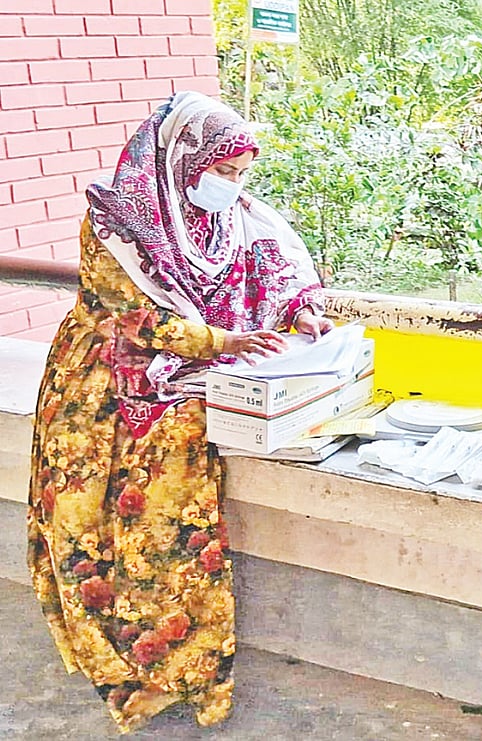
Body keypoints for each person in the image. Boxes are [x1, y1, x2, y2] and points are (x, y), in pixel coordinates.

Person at [27, 91, 333, 733]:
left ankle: (186, 671)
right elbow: (135, 314)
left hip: (184, 397)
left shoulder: (229, 217)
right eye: (222, 171)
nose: (232, 186)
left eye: (240, 174)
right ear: (180, 161)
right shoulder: (119, 227)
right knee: (91, 528)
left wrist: (301, 311)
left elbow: (272, 265)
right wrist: (222, 342)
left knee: (175, 536)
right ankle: (116, 661)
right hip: (103, 395)